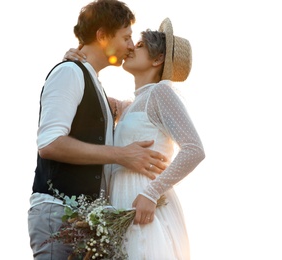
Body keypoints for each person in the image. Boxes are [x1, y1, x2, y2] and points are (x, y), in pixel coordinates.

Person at [27, 1, 169, 259]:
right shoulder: (69, 73)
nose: (129, 46)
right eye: (126, 37)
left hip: (85, 221)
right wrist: (121, 154)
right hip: (57, 214)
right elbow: (50, 144)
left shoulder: (95, 85)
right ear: (102, 35)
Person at [66, 17, 205, 260]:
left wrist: (152, 194)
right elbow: (90, 96)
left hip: (144, 206)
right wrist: (77, 61)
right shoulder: (130, 106)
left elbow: (194, 149)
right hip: (120, 204)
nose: (131, 48)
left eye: (139, 45)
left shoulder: (160, 93)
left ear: (157, 59)